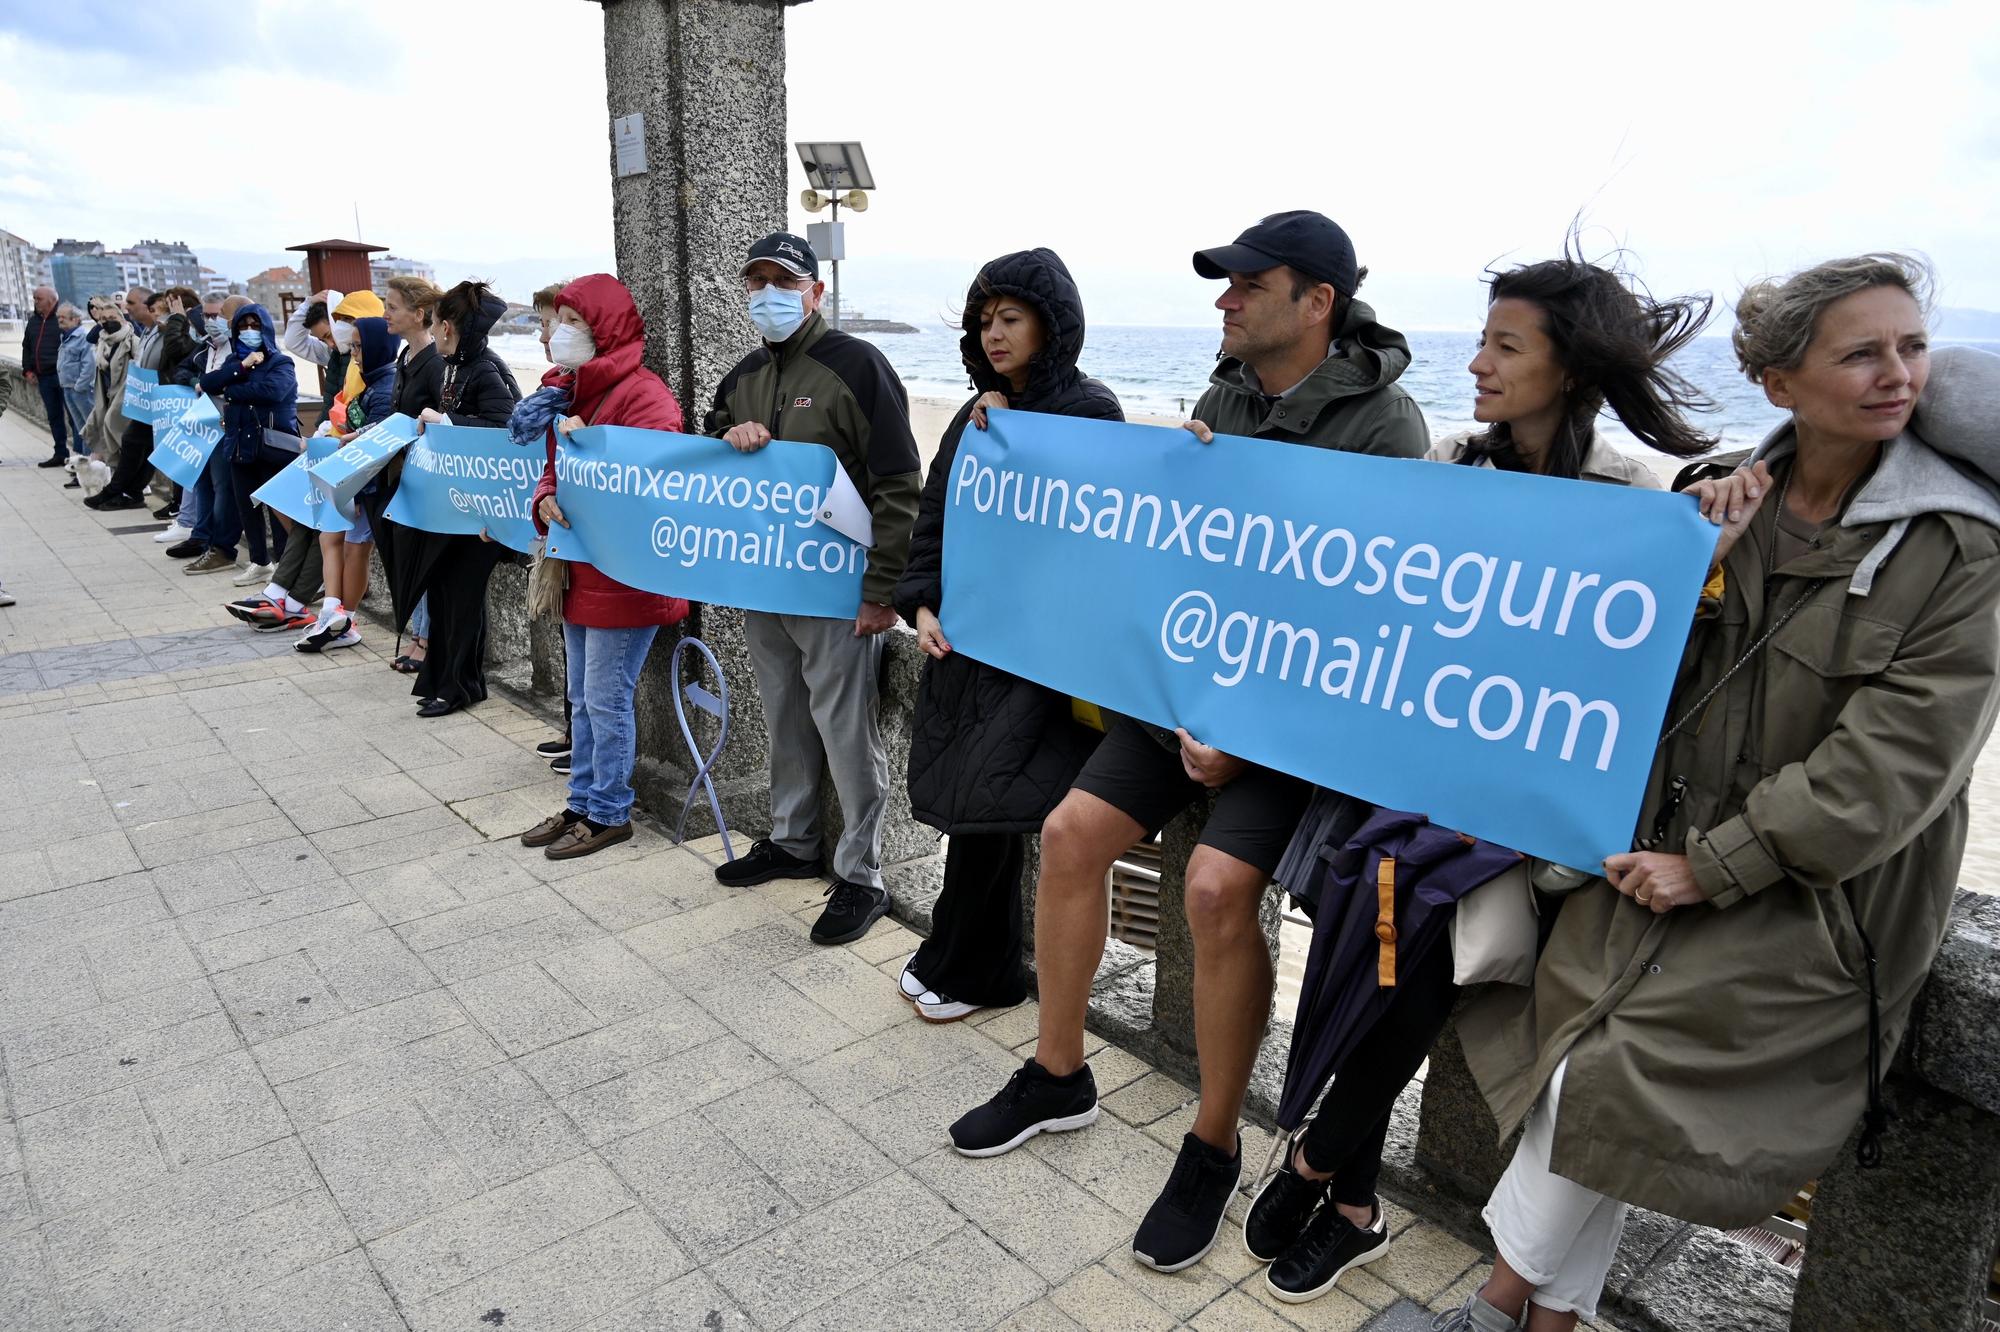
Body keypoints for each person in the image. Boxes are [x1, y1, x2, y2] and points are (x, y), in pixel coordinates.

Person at [1440, 255, 2000, 1332]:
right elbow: (1619, 681)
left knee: (1591, 1086)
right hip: (1650, 873)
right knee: (1575, 1069)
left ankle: (1492, 1303)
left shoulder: (1957, 551)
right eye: (1860, 352)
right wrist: (1689, 573)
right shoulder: (1720, 495)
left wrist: (1714, 865)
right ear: (1778, 382)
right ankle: (1543, 1324)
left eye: (1910, 346)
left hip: (1806, 910)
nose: (1898, 375)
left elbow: (1893, 766)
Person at [948, 211, 1428, 1276]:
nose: (1224, 301)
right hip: (1186, 696)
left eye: (1248, 285)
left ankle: (1211, 1143)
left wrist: (1247, 740)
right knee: (1072, 833)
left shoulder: (1387, 428)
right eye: (1225, 286)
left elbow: (1368, 620)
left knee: (1214, 890)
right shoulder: (1219, 401)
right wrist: (1009, 434)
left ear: (1317, 304)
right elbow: (1174, 550)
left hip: (1287, 726)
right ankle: (1058, 1072)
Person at [1243, 253, 1716, 1308]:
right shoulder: (1452, 462)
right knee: (1367, 941)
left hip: (1518, 823)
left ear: (1570, 365)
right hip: (1407, 783)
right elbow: (1350, 574)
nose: (1476, 364)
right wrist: (1216, 463)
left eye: (1504, 346)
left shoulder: (1637, 502)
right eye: (1481, 341)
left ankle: (1321, 1164)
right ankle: (1350, 1201)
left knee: (1417, 961)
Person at [894, 249, 1122, 1021]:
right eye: (985, 320)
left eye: (1012, 318)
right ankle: (955, 954)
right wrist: (920, 606)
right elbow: (937, 519)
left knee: (997, 807)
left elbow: (1105, 535)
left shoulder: (1091, 411)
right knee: (969, 806)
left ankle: (981, 970)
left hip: (1039, 655)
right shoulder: (974, 413)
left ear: (1049, 325)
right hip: (969, 641)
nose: (994, 334)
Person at [704, 232, 922, 945]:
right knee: (784, 716)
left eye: (784, 281)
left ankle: (861, 876)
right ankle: (793, 842)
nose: (769, 294)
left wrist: (880, 590)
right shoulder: (740, 376)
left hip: (838, 591)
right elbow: (704, 444)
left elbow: (897, 484)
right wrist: (729, 432)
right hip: (766, 581)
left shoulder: (858, 366)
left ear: (815, 291)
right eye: (756, 281)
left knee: (847, 731)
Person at [520, 274, 689, 859]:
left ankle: (610, 810)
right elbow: (555, 468)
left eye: (574, 323)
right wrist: (545, 498)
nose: (559, 334)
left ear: (605, 330)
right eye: (558, 321)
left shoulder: (646, 397)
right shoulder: (567, 392)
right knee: (583, 697)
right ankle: (582, 800)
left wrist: (597, 450)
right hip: (578, 565)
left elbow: (658, 483)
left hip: (626, 574)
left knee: (606, 696)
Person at [406, 280, 522, 716]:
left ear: (447, 327)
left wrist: (448, 421)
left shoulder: (486, 368)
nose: (433, 333)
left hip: (484, 512)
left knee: (463, 599)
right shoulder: (456, 363)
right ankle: (444, 679)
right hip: (457, 504)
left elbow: (509, 430)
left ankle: (460, 686)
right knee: (444, 593)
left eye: (435, 325)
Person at [298, 315, 401, 653]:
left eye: (359, 346)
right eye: (353, 346)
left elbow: (378, 440)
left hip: (368, 485)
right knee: (339, 542)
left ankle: (345, 618)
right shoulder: (372, 380)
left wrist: (353, 482)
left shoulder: (384, 386)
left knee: (355, 548)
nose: (355, 353)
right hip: (358, 483)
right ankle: (336, 613)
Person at [202, 303, 301, 596]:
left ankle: (286, 565)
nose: (248, 332)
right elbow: (207, 383)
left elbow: (273, 392)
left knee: (278, 507)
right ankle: (259, 561)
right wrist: (241, 369)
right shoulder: (235, 361)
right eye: (242, 327)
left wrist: (232, 392)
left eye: (254, 326)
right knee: (247, 506)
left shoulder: (281, 362)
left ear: (266, 328)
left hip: (273, 445)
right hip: (239, 443)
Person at [383, 275, 446, 675]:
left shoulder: (435, 362)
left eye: (392, 307)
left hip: (426, 476)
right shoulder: (405, 357)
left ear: (418, 313)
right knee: (408, 557)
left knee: (426, 559)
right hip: (401, 473)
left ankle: (427, 638)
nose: (385, 314)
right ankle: (419, 632)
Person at [527, 280, 577, 776]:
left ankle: (580, 736)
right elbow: (550, 461)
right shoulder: (551, 385)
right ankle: (573, 730)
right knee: (569, 638)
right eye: (543, 324)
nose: (545, 333)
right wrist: (543, 497)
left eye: (553, 322)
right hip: (556, 521)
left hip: (579, 528)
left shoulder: (573, 389)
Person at [168, 296, 244, 564]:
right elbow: (181, 371)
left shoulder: (240, 348)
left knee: (223, 485)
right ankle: (202, 535)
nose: (212, 322)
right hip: (204, 422)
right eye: (208, 316)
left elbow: (233, 382)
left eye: (218, 315)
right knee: (202, 480)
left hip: (225, 423)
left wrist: (209, 383)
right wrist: (196, 381)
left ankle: (221, 545)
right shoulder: (207, 347)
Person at [85, 286, 162, 511]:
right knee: (137, 446)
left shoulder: (134, 337)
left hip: (138, 401)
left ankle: (118, 490)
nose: (125, 308)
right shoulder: (106, 341)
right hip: (122, 400)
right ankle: (128, 491)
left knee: (133, 444)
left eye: (129, 304)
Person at [81, 294, 136, 491]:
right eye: (104, 320)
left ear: (123, 318)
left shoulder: (132, 340)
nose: (108, 323)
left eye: (113, 318)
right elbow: (91, 335)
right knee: (104, 438)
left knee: (121, 440)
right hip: (105, 397)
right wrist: (102, 319)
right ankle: (117, 483)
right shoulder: (102, 342)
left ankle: (132, 486)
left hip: (124, 399)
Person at [19, 286, 71, 467]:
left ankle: (82, 457)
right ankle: (60, 453)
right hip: (44, 378)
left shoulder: (63, 318)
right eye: (34, 298)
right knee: (54, 417)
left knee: (74, 417)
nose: (35, 302)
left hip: (63, 377)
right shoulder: (33, 321)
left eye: (38, 298)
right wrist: (27, 370)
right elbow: (26, 346)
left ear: (51, 300)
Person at [55, 303, 95, 487]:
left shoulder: (83, 336)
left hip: (80, 391)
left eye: (63, 317)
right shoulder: (66, 337)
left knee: (87, 431)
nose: (60, 320)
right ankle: (80, 472)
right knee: (80, 431)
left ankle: (87, 471)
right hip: (68, 388)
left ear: (76, 319)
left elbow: (89, 365)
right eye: (58, 317)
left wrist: (80, 386)